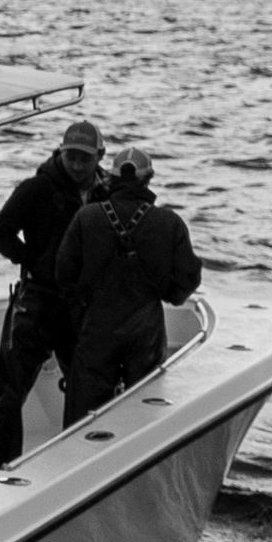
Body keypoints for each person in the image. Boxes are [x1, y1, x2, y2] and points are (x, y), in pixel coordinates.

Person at [0, 118, 107, 467]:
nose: (78, 165)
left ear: (99, 156)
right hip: (38, 300)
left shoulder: (106, 192)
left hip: (80, 305)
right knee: (8, 391)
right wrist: (33, 261)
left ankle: (83, 462)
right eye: (71, 157)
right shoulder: (36, 189)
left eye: (85, 158)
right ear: (61, 153)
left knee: (89, 387)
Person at [49, 146, 201, 417]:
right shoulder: (169, 223)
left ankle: (83, 457)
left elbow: (63, 274)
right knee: (144, 411)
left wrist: (83, 302)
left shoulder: (87, 217)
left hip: (96, 329)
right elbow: (187, 279)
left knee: (83, 416)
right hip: (146, 333)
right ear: (148, 178)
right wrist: (167, 293)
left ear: (111, 177)